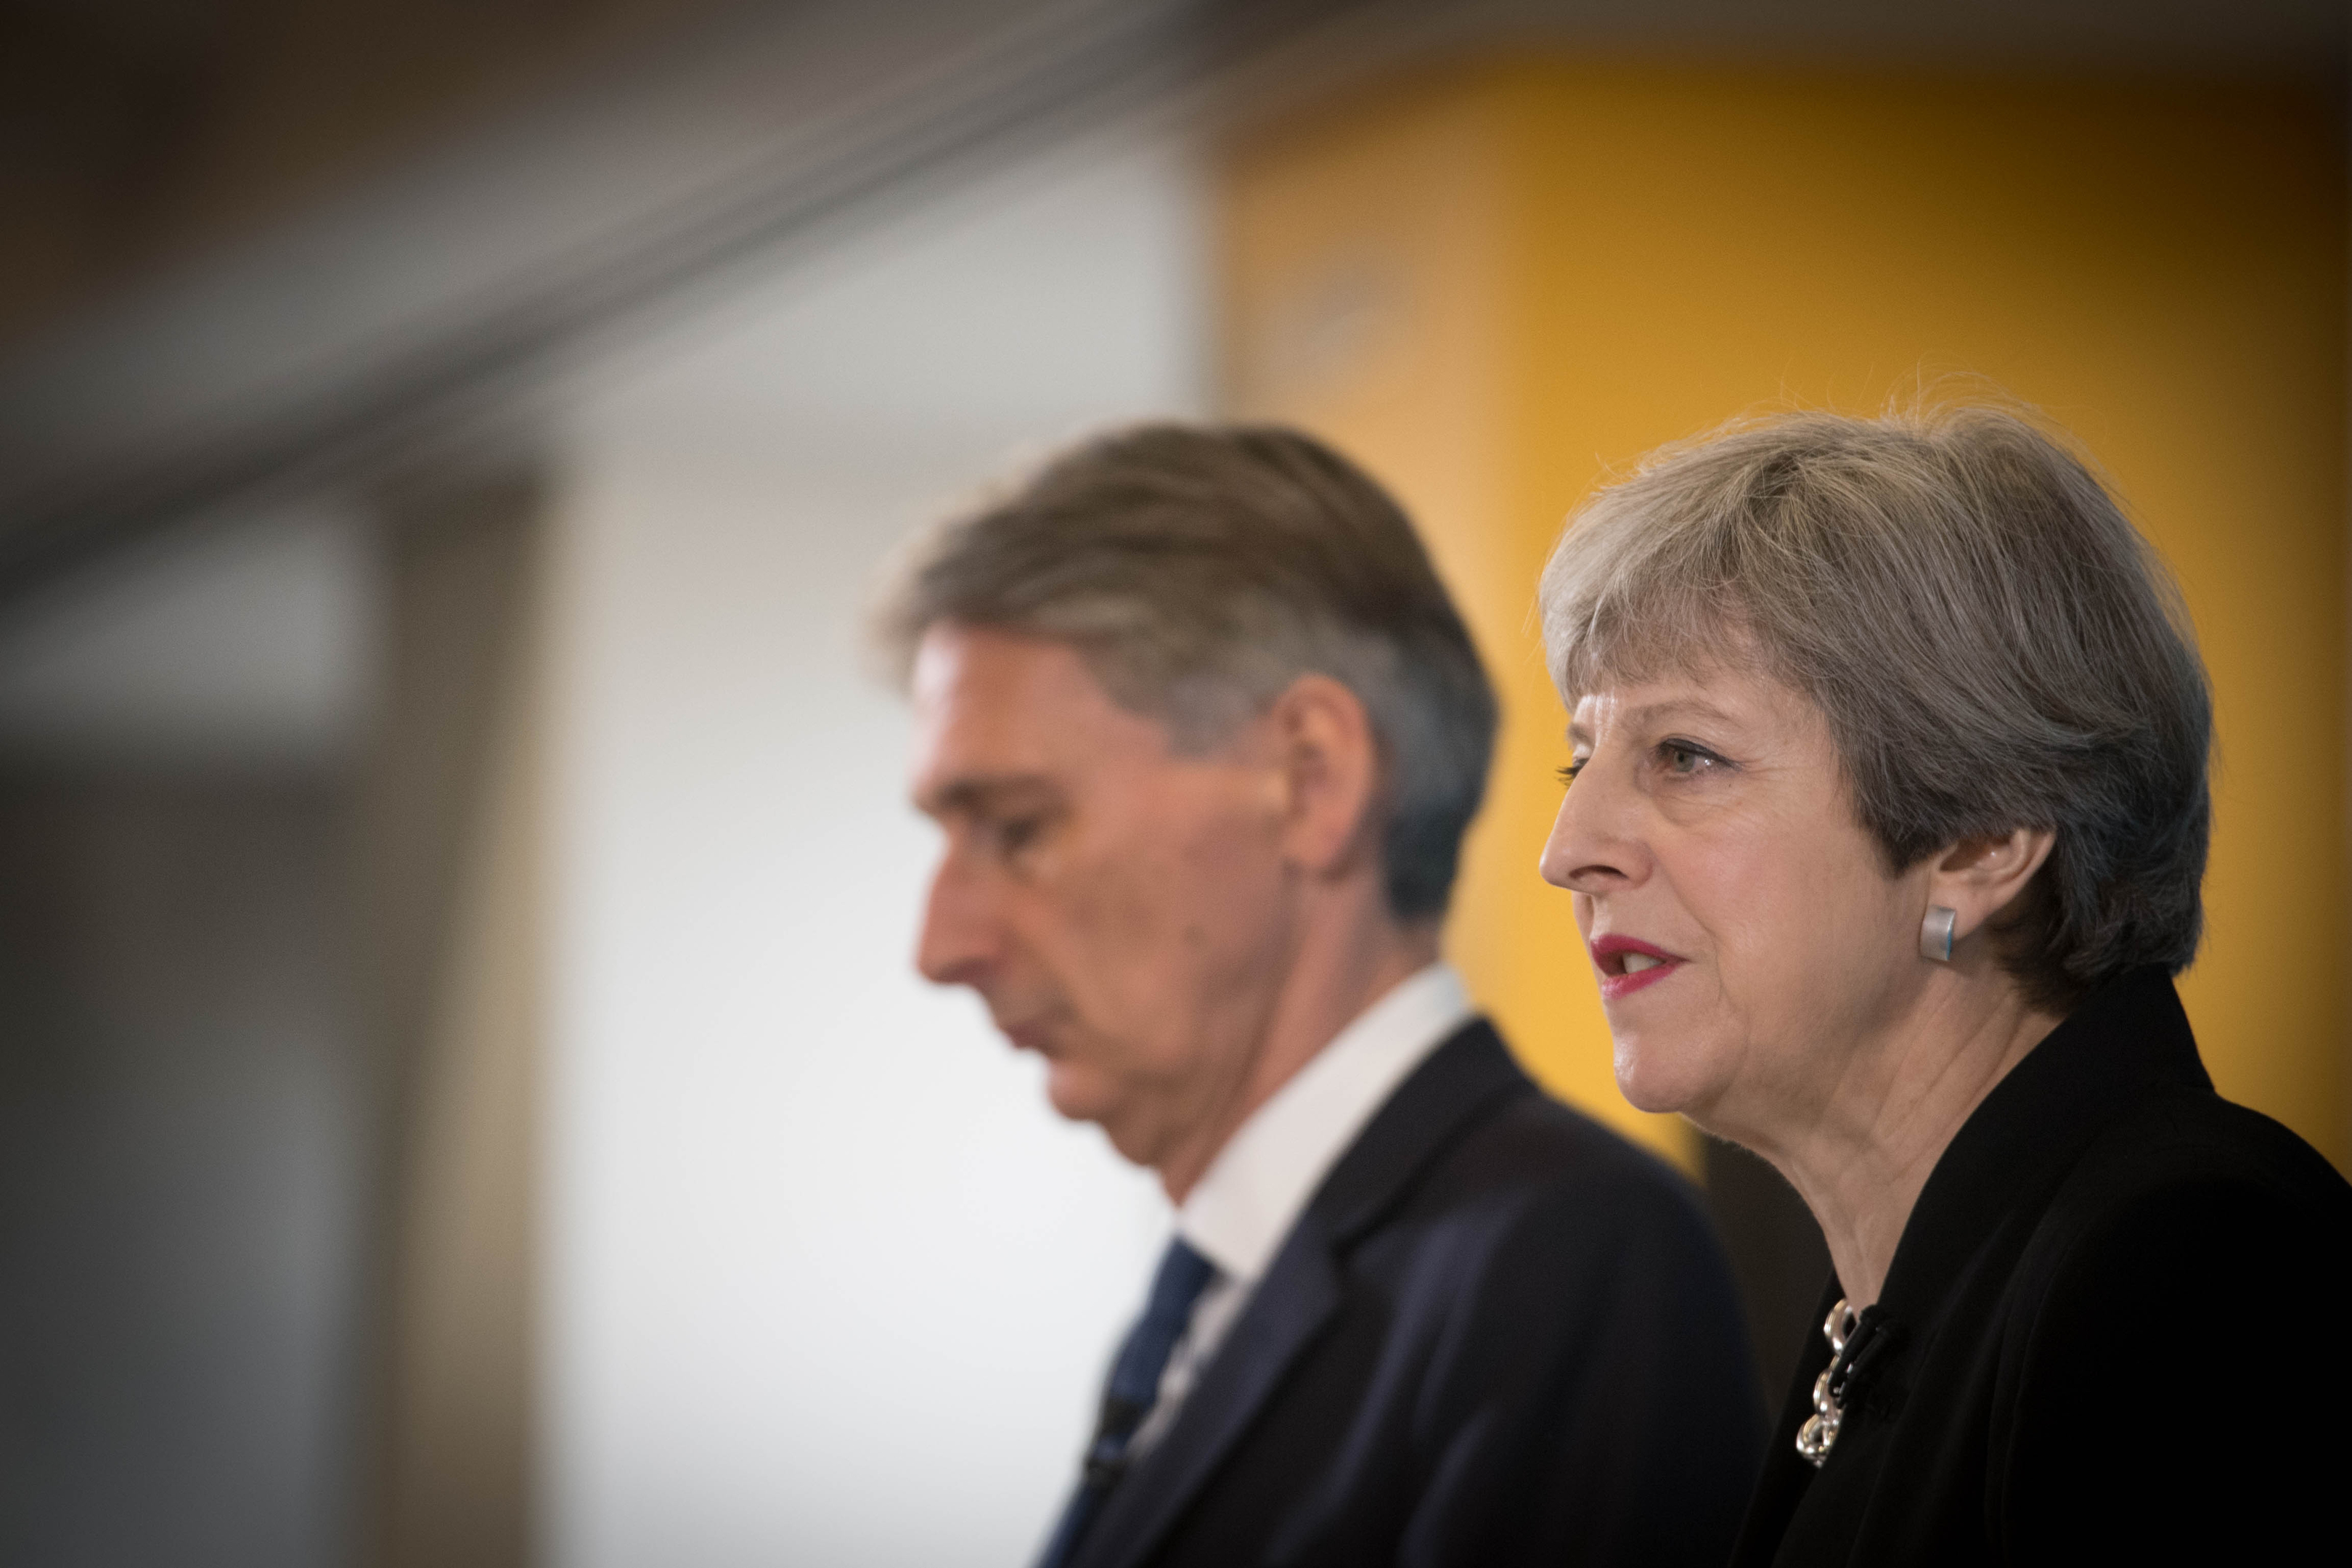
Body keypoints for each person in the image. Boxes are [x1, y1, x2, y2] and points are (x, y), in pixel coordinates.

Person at [884, 423, 1764, 1568]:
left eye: (1019, 828)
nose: (942, 944)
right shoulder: (1226, 1290)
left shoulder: (1562, 1271)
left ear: (1310, 779)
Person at [1535, 401, 2352, 1564]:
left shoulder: (2187, 1270)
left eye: (1687, 755)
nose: (1568, 847)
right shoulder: (1883, 1303)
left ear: (1980, 840)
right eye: (1582, 758)